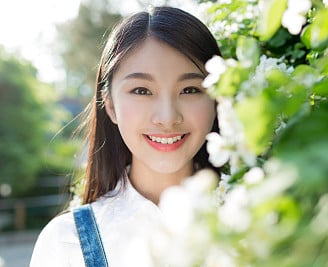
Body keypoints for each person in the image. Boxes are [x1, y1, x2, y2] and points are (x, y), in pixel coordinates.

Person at [30, 6, 221, 266]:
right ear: (110, 105)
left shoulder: (264, 215)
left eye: (189, 89)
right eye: (142, 90)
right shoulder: (66, 242)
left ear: (217, 97)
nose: (167, 117)